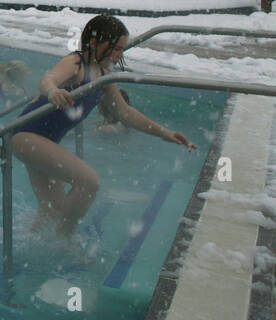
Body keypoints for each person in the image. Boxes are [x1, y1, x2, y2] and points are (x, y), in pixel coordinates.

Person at [11, 15, 195, 239]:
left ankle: (30, 246)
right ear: (94, 42)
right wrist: (53, 91)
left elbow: (125, 113)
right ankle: (65, 236)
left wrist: (164, 133)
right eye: (115, 48)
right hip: (26, 135)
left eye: (122, 49)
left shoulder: (104, 75)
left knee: (52, 209)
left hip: (44, 141)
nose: (119, 55)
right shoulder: (76, 63)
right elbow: (47, 79)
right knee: (88, 182)